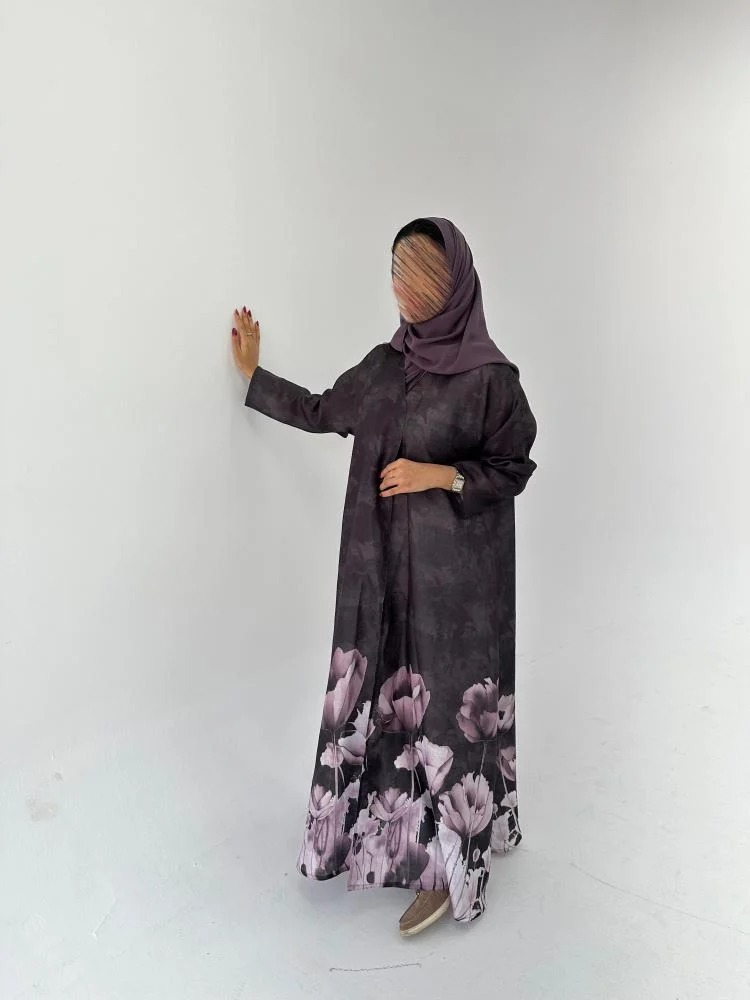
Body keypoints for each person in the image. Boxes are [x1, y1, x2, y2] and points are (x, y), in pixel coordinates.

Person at [231, 216, 538, 936]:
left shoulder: (491, 380)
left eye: (419, 277)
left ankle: (452, 865)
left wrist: (440, 475)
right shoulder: (383, 366)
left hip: (458, 590)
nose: (403, 291)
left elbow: (513, 468)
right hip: (381, 576)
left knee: (449, 715)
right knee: (386, 705)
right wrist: (253, 375)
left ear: (453, 285)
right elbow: (320, 411)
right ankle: (387, 838)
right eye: (397, 274)